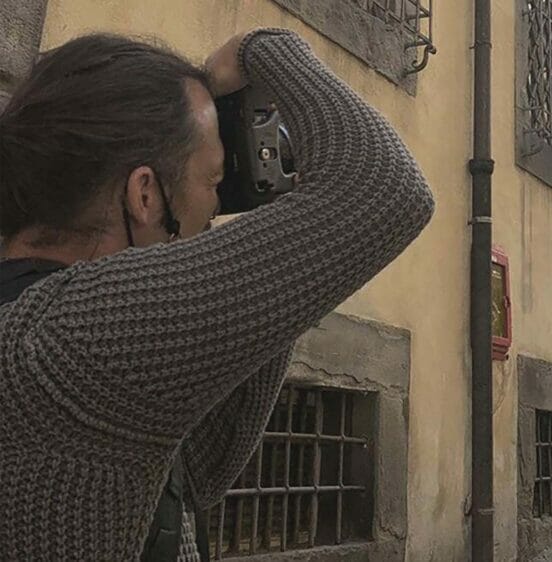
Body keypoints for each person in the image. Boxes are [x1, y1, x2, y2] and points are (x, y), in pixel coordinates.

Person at [0, 28, 434, 560]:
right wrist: (263, 47)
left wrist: (285, 250)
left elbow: (202, 472)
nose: (215, 211)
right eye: (212, 181)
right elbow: (387, 188)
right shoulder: (68, 336)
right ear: (144, 194)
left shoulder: (42, 329)